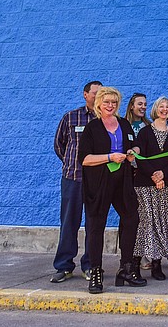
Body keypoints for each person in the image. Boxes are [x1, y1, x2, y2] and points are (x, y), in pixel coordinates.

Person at [76, 86, 144, 293]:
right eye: (107, 102)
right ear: (99, 104)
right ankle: (95, 272)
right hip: (99, 181)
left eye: (114, 102)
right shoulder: (92, 128)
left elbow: (136, 146)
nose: (110, 106)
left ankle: (126, 267)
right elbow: (85, 160)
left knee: (132, 218)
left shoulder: (124, 124)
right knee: (96, 225)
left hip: (122, 179)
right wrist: (108, 157)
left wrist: (133, 152)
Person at [50, 80, 101, 283]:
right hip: (73, 178)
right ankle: (64, 266)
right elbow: (59, 145)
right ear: (85, 95)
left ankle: (90, 265)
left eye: (101, 93)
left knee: (93, 224)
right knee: (69, 222)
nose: (98, 97)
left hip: (96, 181)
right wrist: (71, 163)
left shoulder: (105, 119)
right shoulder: (71, 117)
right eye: (95, 93)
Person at [134, 96, 168, 281]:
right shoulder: (144, 132)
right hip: (145, 186)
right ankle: (141, 263)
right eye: (161, 107)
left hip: (166, 187)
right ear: (155, 109)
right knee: (149, 224)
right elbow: (139, 157)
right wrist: (154, 175)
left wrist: (163, 175)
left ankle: (158, 265)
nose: (164, 109)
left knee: (163, 225)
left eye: (167, 107)